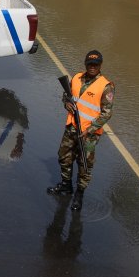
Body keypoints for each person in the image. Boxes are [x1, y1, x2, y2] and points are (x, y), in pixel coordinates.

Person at [47, 49, 115, 211]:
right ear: (85, 64)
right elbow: (67, 96)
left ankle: (79, 195)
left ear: (100, 65)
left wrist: (91, 129)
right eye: (90, 64)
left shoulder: (106, 86)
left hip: (89, 134)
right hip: (72, 127)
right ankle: (66, 185)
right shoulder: (76, 78)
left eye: (96, 64)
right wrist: (66, 103)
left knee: (85, 164)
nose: (92, 67)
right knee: (64, 156)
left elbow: (107, 114)